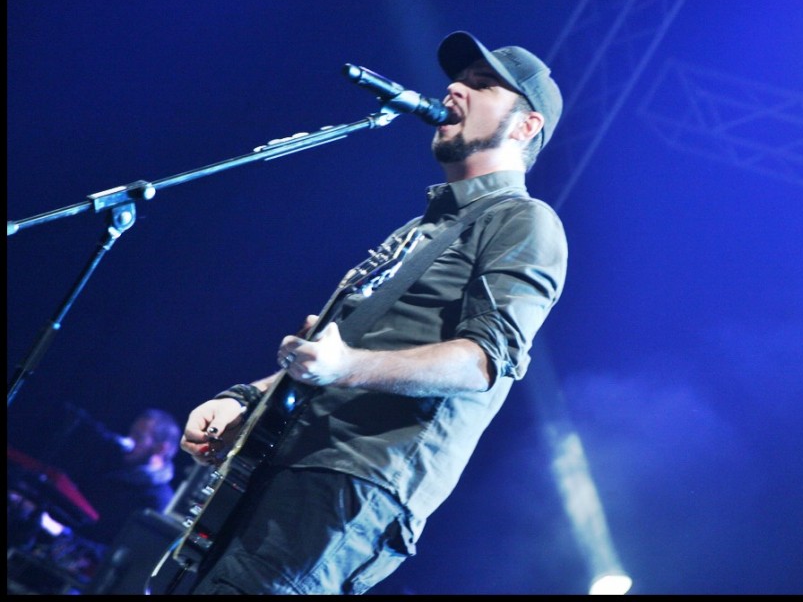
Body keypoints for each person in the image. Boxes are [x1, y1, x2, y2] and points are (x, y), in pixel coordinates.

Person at [178, 30, 568, 595]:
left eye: (483, 85)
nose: (455, 89)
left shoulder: (526, 222)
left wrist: (344, 367)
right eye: (458, 80)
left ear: (526, 126)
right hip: (281, 463)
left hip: (352, 481)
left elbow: (485, 361)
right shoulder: (418, 230)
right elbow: (333, 355)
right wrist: (243, 399)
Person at [70, 407, 182, 546]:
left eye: (138, 437)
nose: (128, 440)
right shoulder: (117, 472)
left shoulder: (159, 500)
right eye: (131, 433)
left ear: (160, 449)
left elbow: (125, 551)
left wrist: (65, 535)